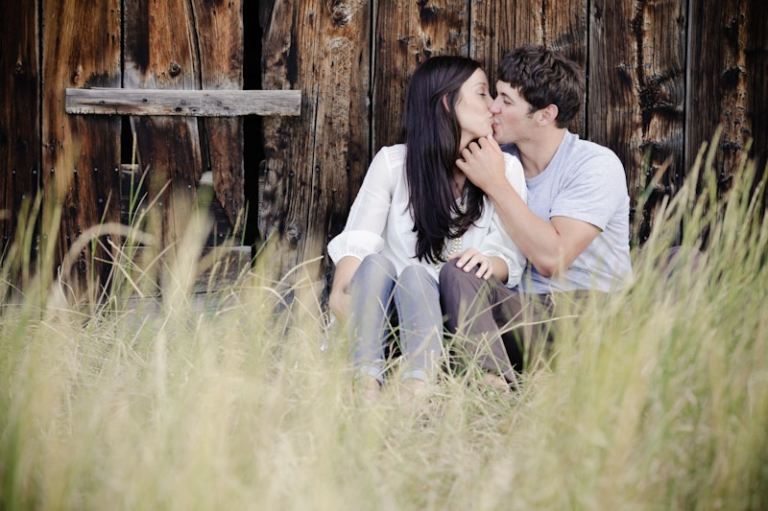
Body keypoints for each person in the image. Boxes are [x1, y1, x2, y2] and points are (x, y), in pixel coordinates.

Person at [327, 56, 527, 401]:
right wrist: (340, 291)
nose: (493, 107)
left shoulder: (506, 168)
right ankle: (365, 384)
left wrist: (485, 264)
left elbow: (511, 257)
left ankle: (420, 385)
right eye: (482, 93)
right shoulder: (393, 164)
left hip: (454, 328)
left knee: (422, 278)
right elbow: (359, 242)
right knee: (380, 266)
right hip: (386, 326)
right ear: (448, 102)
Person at [440, 45, 632, 385]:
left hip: (590, 317)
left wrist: (496, 184)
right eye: (494, 94)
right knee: (458, 272)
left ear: (545, 115)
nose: (493, 108)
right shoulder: (496, 156)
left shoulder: (594, 164)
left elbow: (552, 259)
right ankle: (492, 388)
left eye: (506, 101)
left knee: (682, 260)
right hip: (523, 315)